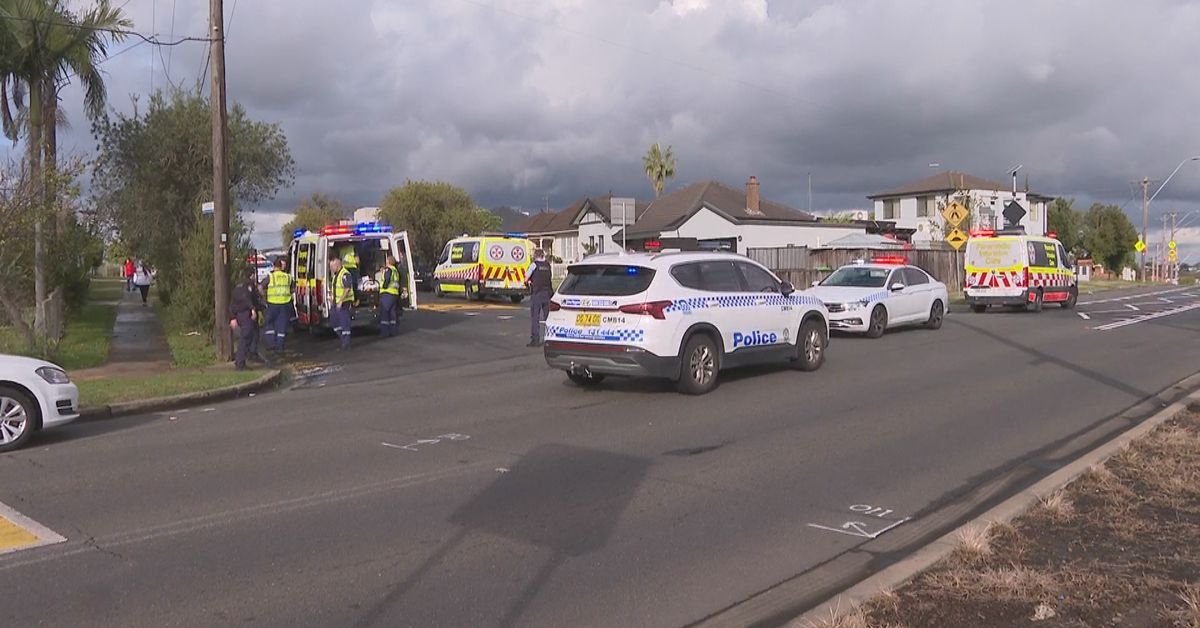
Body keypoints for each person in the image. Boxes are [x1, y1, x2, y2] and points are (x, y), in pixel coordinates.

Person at [230, 268, 262, 370]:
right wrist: (253, 308)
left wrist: (232, 317)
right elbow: (247, 298)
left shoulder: (238, 285)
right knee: (246, 337)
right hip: (245, 314)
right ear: (252, 275)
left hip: (238, 314)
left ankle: (241, 360)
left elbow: (233, 302)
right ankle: (240, 363)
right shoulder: (249, 285)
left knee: (248, 335)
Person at [262, 258, 294, 351]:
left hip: (272, 304)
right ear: (281, 266)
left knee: (269, 324)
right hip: (285, 304)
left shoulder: (270, 277)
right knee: (282, 327)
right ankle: (280, 347)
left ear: (274, 267)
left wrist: (264, 298)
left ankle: (271, 343)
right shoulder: (288, 277)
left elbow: (260, 287)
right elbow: (293, 290)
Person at [525, 248, 552, 347]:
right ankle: (550, 339)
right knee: (548, 318)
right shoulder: (548, 265)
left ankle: (535, 340)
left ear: (535, 256)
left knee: (535, 317)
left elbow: (526, 277)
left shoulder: (534, 265)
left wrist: (528, 282)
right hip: (547, 293)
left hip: (537, 293)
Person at [330, 256, 354, 350]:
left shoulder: (345, 274)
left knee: (345, 324)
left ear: (337, 265)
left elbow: (347, 288)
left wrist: (341, 301)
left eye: (332, 267)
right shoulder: (336, 275)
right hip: (336, 302)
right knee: (334, 322)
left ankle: (346, 345)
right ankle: (343, 340)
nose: (331, 269)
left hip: (344, 302)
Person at [378, 254, 405, 337]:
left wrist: (383, 286)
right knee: (392, 313)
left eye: (386, 261)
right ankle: (393, 331)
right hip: (394, 294)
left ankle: (384, 333)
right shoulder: (395, 270)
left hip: (387, 293)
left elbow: (387, 279)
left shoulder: (388, 270)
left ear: (388, 262)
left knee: (385, 313)